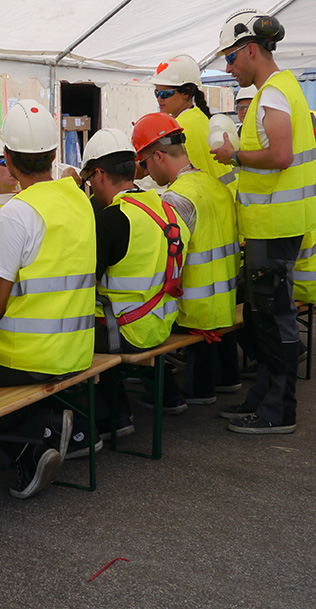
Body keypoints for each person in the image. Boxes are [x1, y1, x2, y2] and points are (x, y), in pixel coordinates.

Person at [211, 9, 316, 434]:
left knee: (274, 316)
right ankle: (263, 398)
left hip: (276, 227)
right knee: (263, 315)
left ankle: (278, 412)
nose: (228, 68)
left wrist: (234, 156)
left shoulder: (274, 93)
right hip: (274, 226)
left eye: (230, 58)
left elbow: (279, 156)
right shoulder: (281, 89)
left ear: (249, 50)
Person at [0, 99, 99, 490]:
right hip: (77, 349)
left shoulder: (17, 212)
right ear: (51, 154)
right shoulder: (79, 199)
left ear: (8, 160)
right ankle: (71, 427)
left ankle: (32, 442)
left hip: (26, 356)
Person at [81, 128, 191, 432]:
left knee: (64, 334)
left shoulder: (112, 220)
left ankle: (111, 417)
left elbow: (86, 281)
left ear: (99, 174)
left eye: (90, 180)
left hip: (126, 332)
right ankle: (167, 393)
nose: (91, 188)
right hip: (161, 324)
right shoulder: (166, 208)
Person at [132, 112, 240, 405]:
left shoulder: (176, 200)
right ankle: (224, 378)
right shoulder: (216, 186)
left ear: (157, 156)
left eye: (142, 164)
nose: (144, 172)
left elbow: (161, 265)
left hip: (192, 311)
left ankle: (163, 394)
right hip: (224, 305)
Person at [151, 54, 237, 192]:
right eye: (157, 93)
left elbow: (160, 176)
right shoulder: (200, 116)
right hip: (224, 200)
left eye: (166, 94)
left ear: (186, 93)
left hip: (205, 203)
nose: (160, 99)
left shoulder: (177, 127)